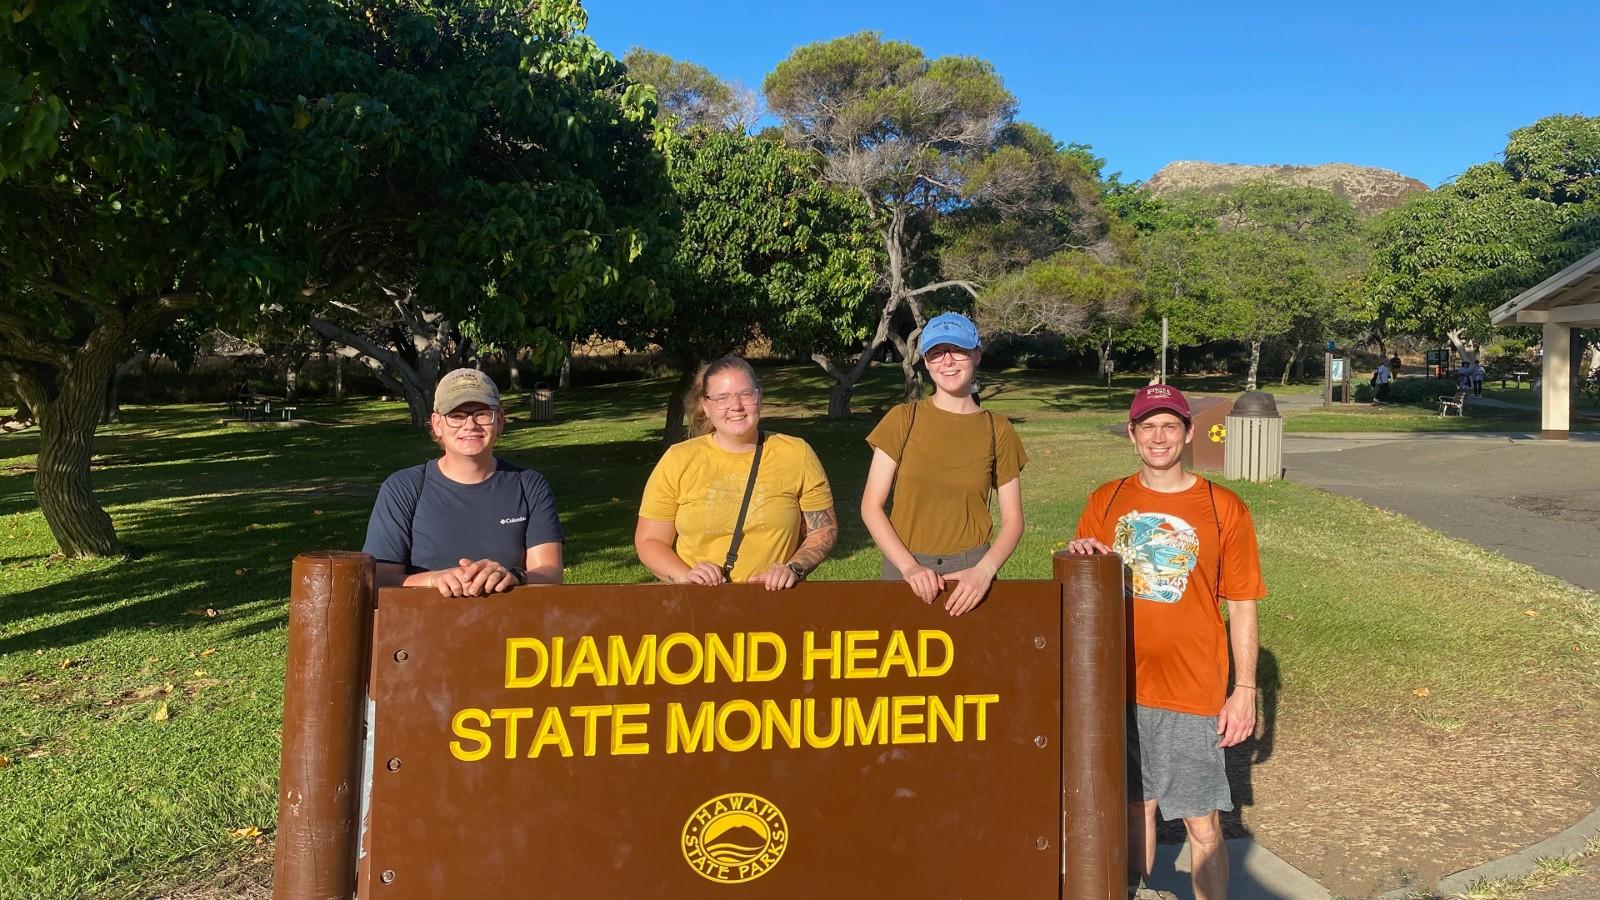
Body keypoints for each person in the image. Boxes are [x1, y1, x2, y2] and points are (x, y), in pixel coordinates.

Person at [1066, 385, 1265, 900]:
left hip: (1190, 691)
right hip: (1119, 687)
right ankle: (1141, 890)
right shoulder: (1105, 500)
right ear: (1132, 435)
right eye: (1148, 426)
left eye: (1170, 426)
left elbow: (1242, 604)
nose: (1159, 437)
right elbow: (1081, 587)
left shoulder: (1224, 509)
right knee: (1135, 808)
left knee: (1202, 823)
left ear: (1188, 433)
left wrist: (1244, 689)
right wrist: (1082, 555)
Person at [861, 312, 1027, 617]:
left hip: (971, 576)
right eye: (936, 353)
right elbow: (871, 506)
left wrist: (984, 571)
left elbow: (1014, 519)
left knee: (976, 663)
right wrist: (909, 567)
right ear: (925, 362)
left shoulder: (998, 429)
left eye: (958, 350)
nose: (947, 361)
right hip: (905, 568)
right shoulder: (902, 419)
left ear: (976, 355)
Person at [635, 356, 837, 589]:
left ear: (759, 397)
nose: (736, 406)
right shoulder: (678, 460)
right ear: (706, 405)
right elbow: (650, 540)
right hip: (698, 607)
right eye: (721, 398)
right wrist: (685, 575)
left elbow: (823, 528)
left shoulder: (796, 453)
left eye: (746, 394)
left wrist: (793, 568)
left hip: (775, 605)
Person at [364, 368, 564, 596]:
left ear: (499, 420)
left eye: (481, 414)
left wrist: (513, 576)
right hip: (423, 625)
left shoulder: (529, 485)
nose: (470, 425)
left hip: (511, 627)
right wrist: (435, 579)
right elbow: (380, 578)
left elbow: (551, 573)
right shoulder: (403, 488)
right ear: (437, 424)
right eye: (456, 415)